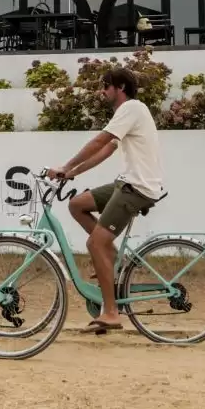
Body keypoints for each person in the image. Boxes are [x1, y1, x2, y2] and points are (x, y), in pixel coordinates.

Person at [48, 67, 165, 335]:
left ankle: (111, 312)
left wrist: (65, 164)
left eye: (106, 86)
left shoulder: (132, 108)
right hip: (126, 182)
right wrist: (72, 173)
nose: (102, 91)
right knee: (77, 204)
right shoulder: (127, 113)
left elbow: (101, 139)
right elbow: (107, 150)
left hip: (137, 187)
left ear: (120, 87)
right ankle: (110, 258)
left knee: (94, 243)